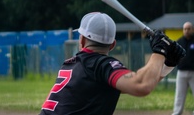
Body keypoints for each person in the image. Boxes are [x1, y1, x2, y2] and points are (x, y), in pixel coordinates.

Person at [39, 12, 186, 115]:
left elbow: (135, 83)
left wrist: (168, 63)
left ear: (82, 40)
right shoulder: (99, 65)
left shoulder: (72, 64)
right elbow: (141, 85)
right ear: (113, 45)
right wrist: (160, 51)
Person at [172, 21, 194, 115]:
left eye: (189, 28)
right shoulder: (179, 42)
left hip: (193, 72)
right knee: (179, 95)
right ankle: (177, 112)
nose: (187, 31)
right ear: (183, 30)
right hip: (181, 72)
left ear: (192, 29)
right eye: (185, 29)